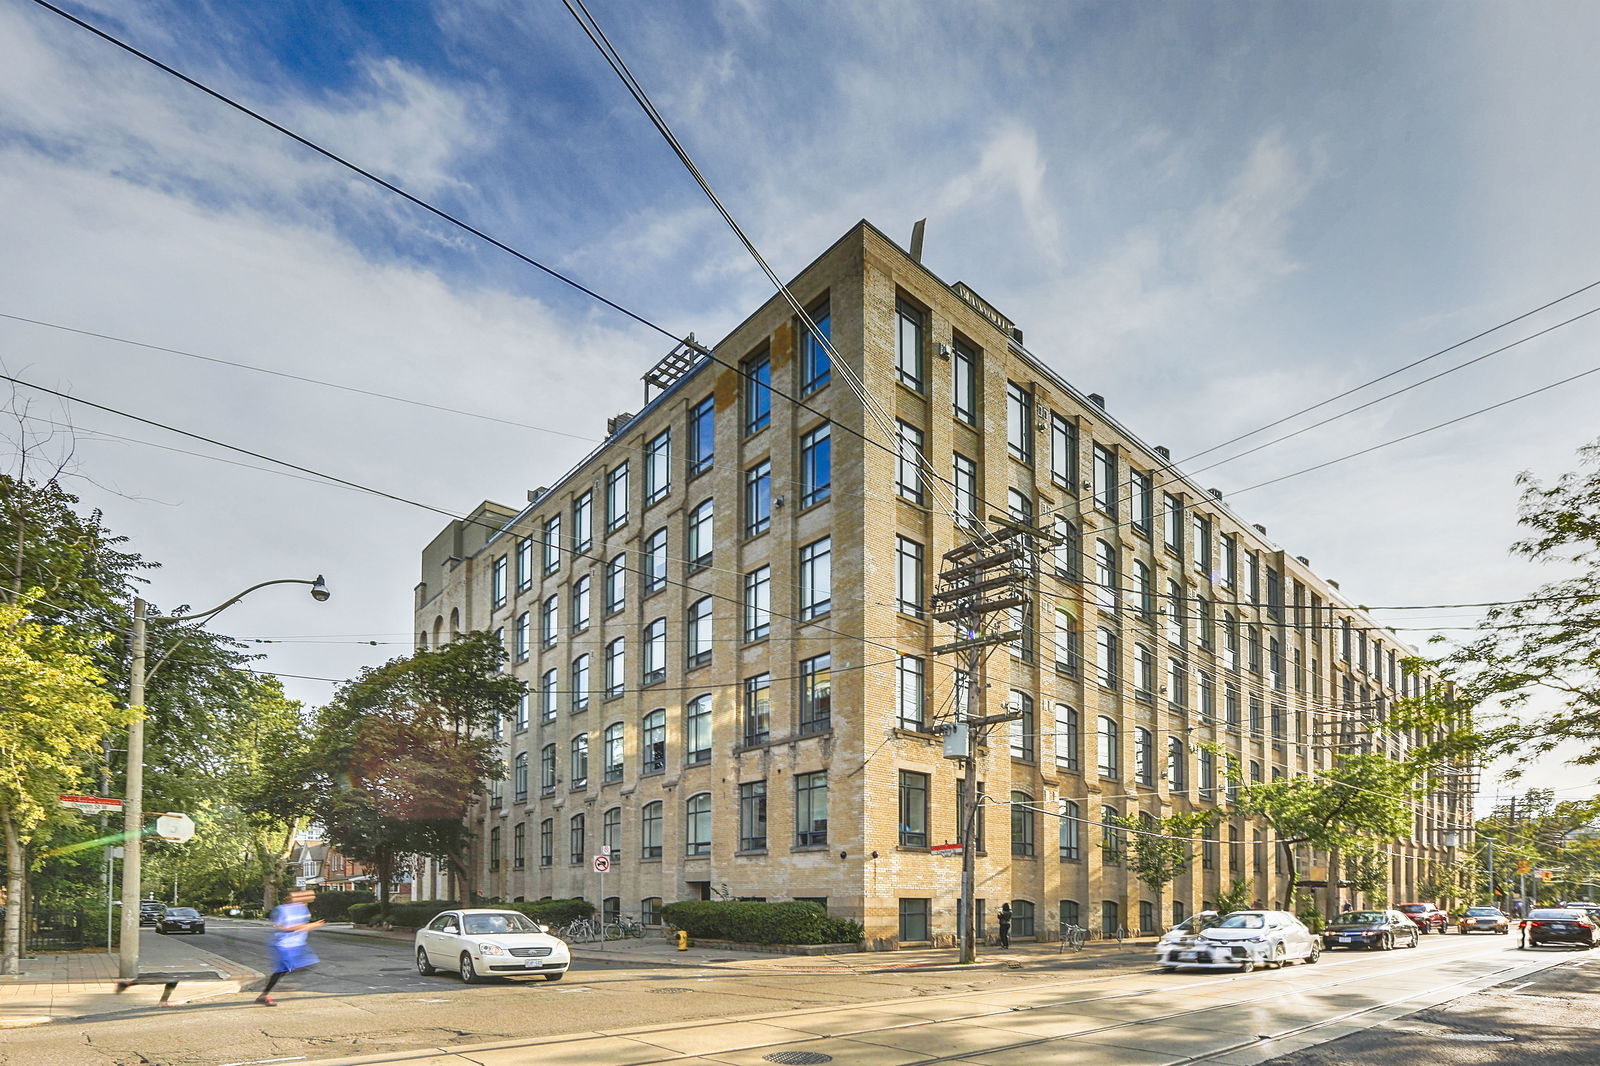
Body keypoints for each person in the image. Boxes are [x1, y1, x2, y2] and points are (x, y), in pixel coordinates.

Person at [258, 889, 323, 1006]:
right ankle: (268, 992)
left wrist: (307, 926)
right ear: (292, 897)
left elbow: (301, 926)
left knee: (307, 964)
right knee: (285, 969)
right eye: (305, 894)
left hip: (298, 944)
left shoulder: (303, 909)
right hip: (283, 944)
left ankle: (266, 992)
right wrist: (309, 926)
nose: (310, 896)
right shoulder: (282, 910)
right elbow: (283, 927)